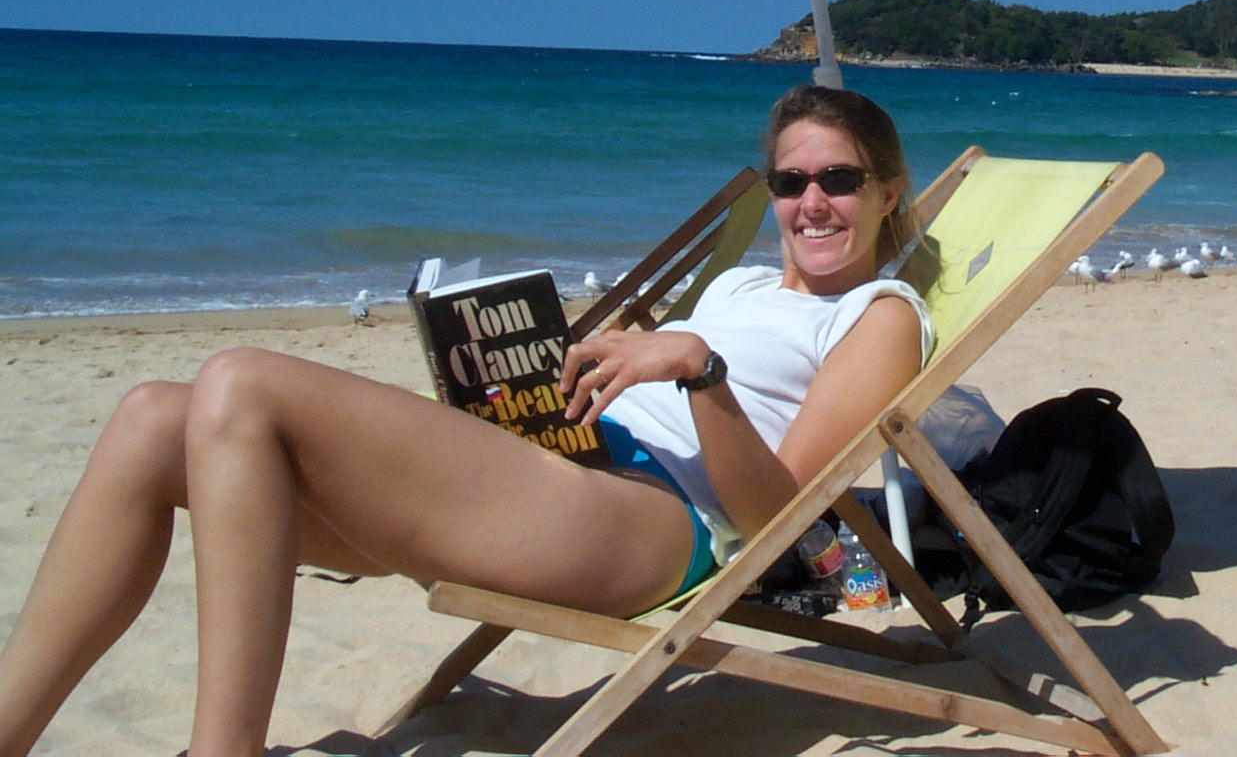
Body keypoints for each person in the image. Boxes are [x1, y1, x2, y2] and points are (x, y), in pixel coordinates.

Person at [0, 85, 931, 757]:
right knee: (150, 418)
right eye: (790, 181)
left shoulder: (880, 314)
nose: (811, 202)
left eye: (839, 179)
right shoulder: (738, 284)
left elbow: (780, 521)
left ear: (888, 191)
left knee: (241, 381)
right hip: (567, 461)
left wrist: (700, 370)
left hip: (652, 520)